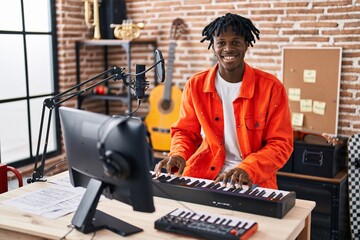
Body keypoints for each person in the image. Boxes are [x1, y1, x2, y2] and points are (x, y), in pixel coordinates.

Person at [154, 13, 293, 190]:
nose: (228, 48)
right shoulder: (195, 85)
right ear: (213, 46)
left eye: (235, 42)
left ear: (246, 45)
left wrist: (247, 169)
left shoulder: (271, 87)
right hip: (203, 174)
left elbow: (280, 144)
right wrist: (178, 154)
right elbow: (185, 132)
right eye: (221, 43)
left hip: (253, 178)